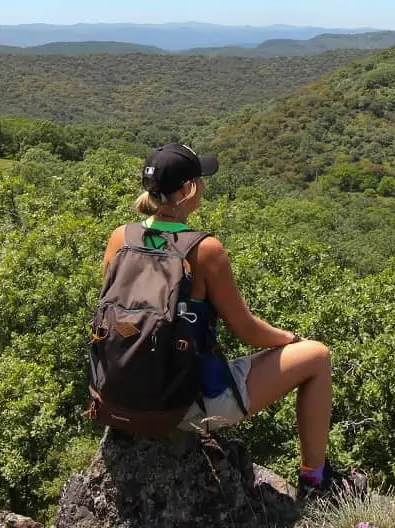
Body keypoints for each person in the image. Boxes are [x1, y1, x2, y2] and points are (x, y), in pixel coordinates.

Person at [102, 143, 362, 498]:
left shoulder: (121, 237)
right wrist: (291, 338)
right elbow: (247, 330)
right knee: (317, 357)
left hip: (117, 396)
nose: (204, 188)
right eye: (200, 180)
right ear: (186, 190)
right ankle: (316, 481)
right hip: (186, 405)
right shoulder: (204, 249)